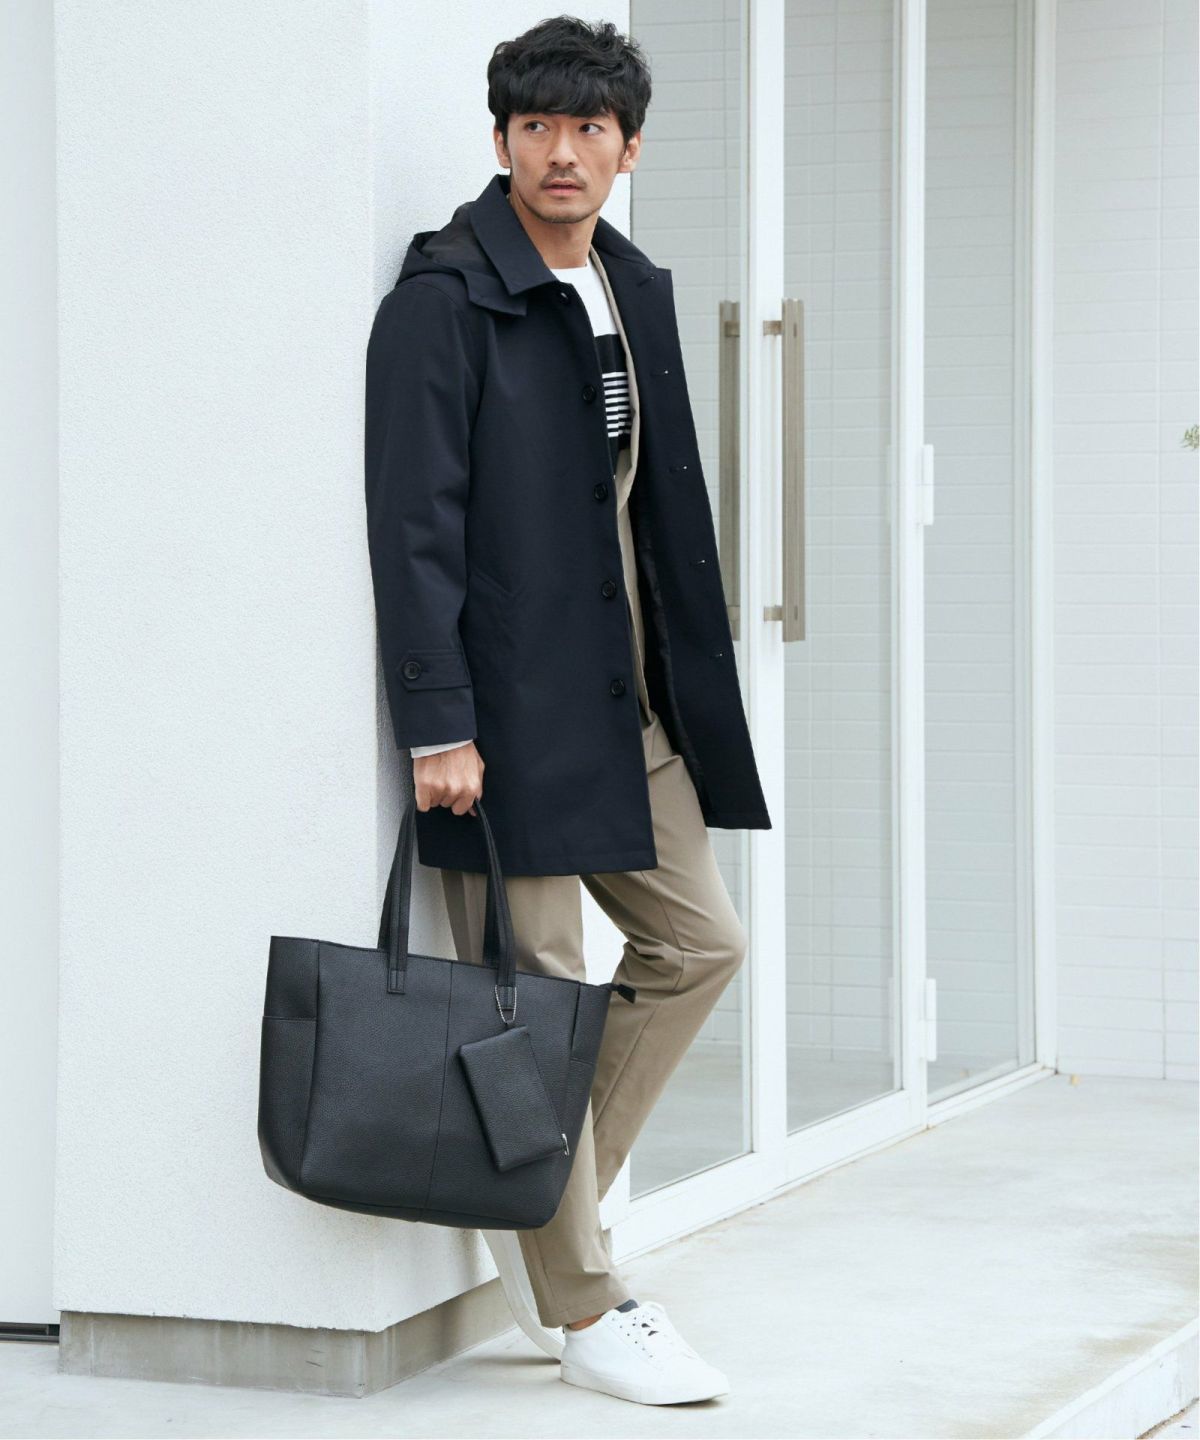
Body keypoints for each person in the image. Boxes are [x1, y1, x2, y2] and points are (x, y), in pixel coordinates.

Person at [364, 15, 771, 1407]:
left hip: (623, 701)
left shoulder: (629, 285)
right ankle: (588, 1304)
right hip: (503, 719)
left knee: (701, 942)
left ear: (627, 149)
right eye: (534, 126)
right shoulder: (446, 299)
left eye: (588, 129)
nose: (560, 153)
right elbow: (414, 523)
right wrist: (439, 724)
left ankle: (539, 1194)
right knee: (536, 996)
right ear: (501, 141)